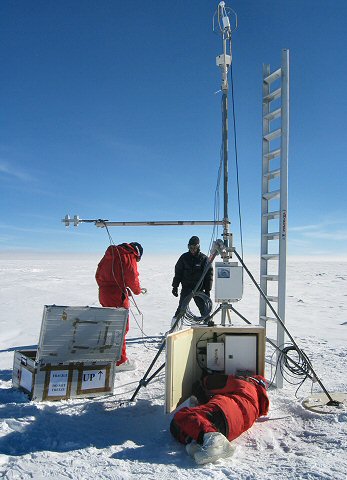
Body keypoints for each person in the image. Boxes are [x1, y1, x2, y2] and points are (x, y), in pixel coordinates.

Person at [170, 373, 269, 465]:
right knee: (185, 427)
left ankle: (214, 440)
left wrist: (203, 378)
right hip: (228, 430)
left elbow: (212, 382)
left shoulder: (245, 384)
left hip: (223, 410)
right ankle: (206, 443)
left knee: (182, 416)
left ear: (252, 379)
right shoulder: (256, 406)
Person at [95, 242, 144, 371]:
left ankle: (108, 355)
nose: (137, 261)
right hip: (117, 297)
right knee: (120, 328)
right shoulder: (129, 255)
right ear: (137, 253)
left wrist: (113, 286)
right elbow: (132, 277)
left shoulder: (111, 254)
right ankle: (119, 362)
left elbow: (98, 274)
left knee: (110, 325)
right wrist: (136, 290)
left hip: (104, 294)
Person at [171, 236, 213, 323]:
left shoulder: (204, 259)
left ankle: (208, 324)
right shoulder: (184, 258)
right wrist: (175, 286)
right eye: (190, 247)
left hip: (199, 289)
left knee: (204, 309)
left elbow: (209, 275)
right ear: (188, 246)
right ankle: (174, 325)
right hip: (187, 288)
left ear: (198, 247)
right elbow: (178, 273)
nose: (192, 249)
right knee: (181, 307)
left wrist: (208, 290)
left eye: (195, 247)